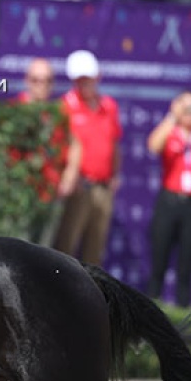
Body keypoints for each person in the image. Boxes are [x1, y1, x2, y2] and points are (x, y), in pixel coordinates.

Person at [145, 91, 191, 307]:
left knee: (186, 267)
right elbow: (153, 145)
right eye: (186, 107)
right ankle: (151, 315)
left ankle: (182, 318)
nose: (189, 112)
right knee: (159, 264)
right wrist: (172, 117)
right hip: (169, 202)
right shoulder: (171, 132)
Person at [52, 49, 122, 265]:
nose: (85, 83)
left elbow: (114, 143)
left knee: (96, 248)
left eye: (88, 78)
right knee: (66, 247)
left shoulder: (109, 106)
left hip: (103, 187)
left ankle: (91, 297)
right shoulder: (64, 106)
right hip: (78, 187)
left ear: (97, 76)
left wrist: (115, 175)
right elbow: (57, 148)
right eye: (80, 79)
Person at [13, 58, 82, 246]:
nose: (42, 85)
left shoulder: (59, 111)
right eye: (36, 80)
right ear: (27, 80)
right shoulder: (14, 110)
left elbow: (75, 143)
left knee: (45, 249)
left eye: (47, 80)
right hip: (21, 193)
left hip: (51, 192)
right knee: (19, 246)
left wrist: (70, 175)